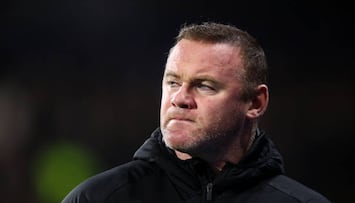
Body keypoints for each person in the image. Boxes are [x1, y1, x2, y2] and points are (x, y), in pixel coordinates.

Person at [61, 22, 331, 203]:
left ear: (255, 103)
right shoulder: (97, 198)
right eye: (173, 82)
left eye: (204, 86)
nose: (180, 99)